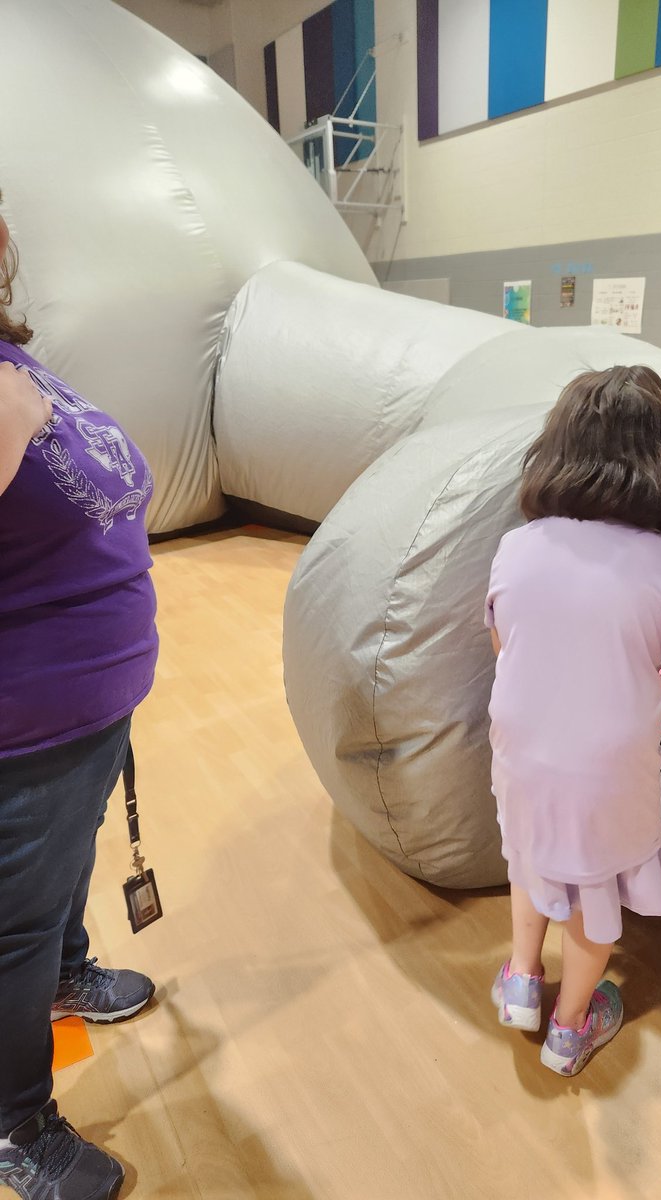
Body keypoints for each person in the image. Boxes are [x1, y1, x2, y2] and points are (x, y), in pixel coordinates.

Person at [485, 367, 661, 1076]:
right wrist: (635, 702)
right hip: (608, 768)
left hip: (519, 749)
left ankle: (523, 979)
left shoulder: (516, 546)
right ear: (657, 456)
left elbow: (505, 647)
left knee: (529, 855)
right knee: (597, 892)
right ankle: (571, 1026)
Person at [0, 198, 158, 1199]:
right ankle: (17, 1125)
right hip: (27, 729)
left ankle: (67, 970)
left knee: (62, 874)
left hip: (87, 714)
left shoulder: (20, 366)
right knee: (8, 925)